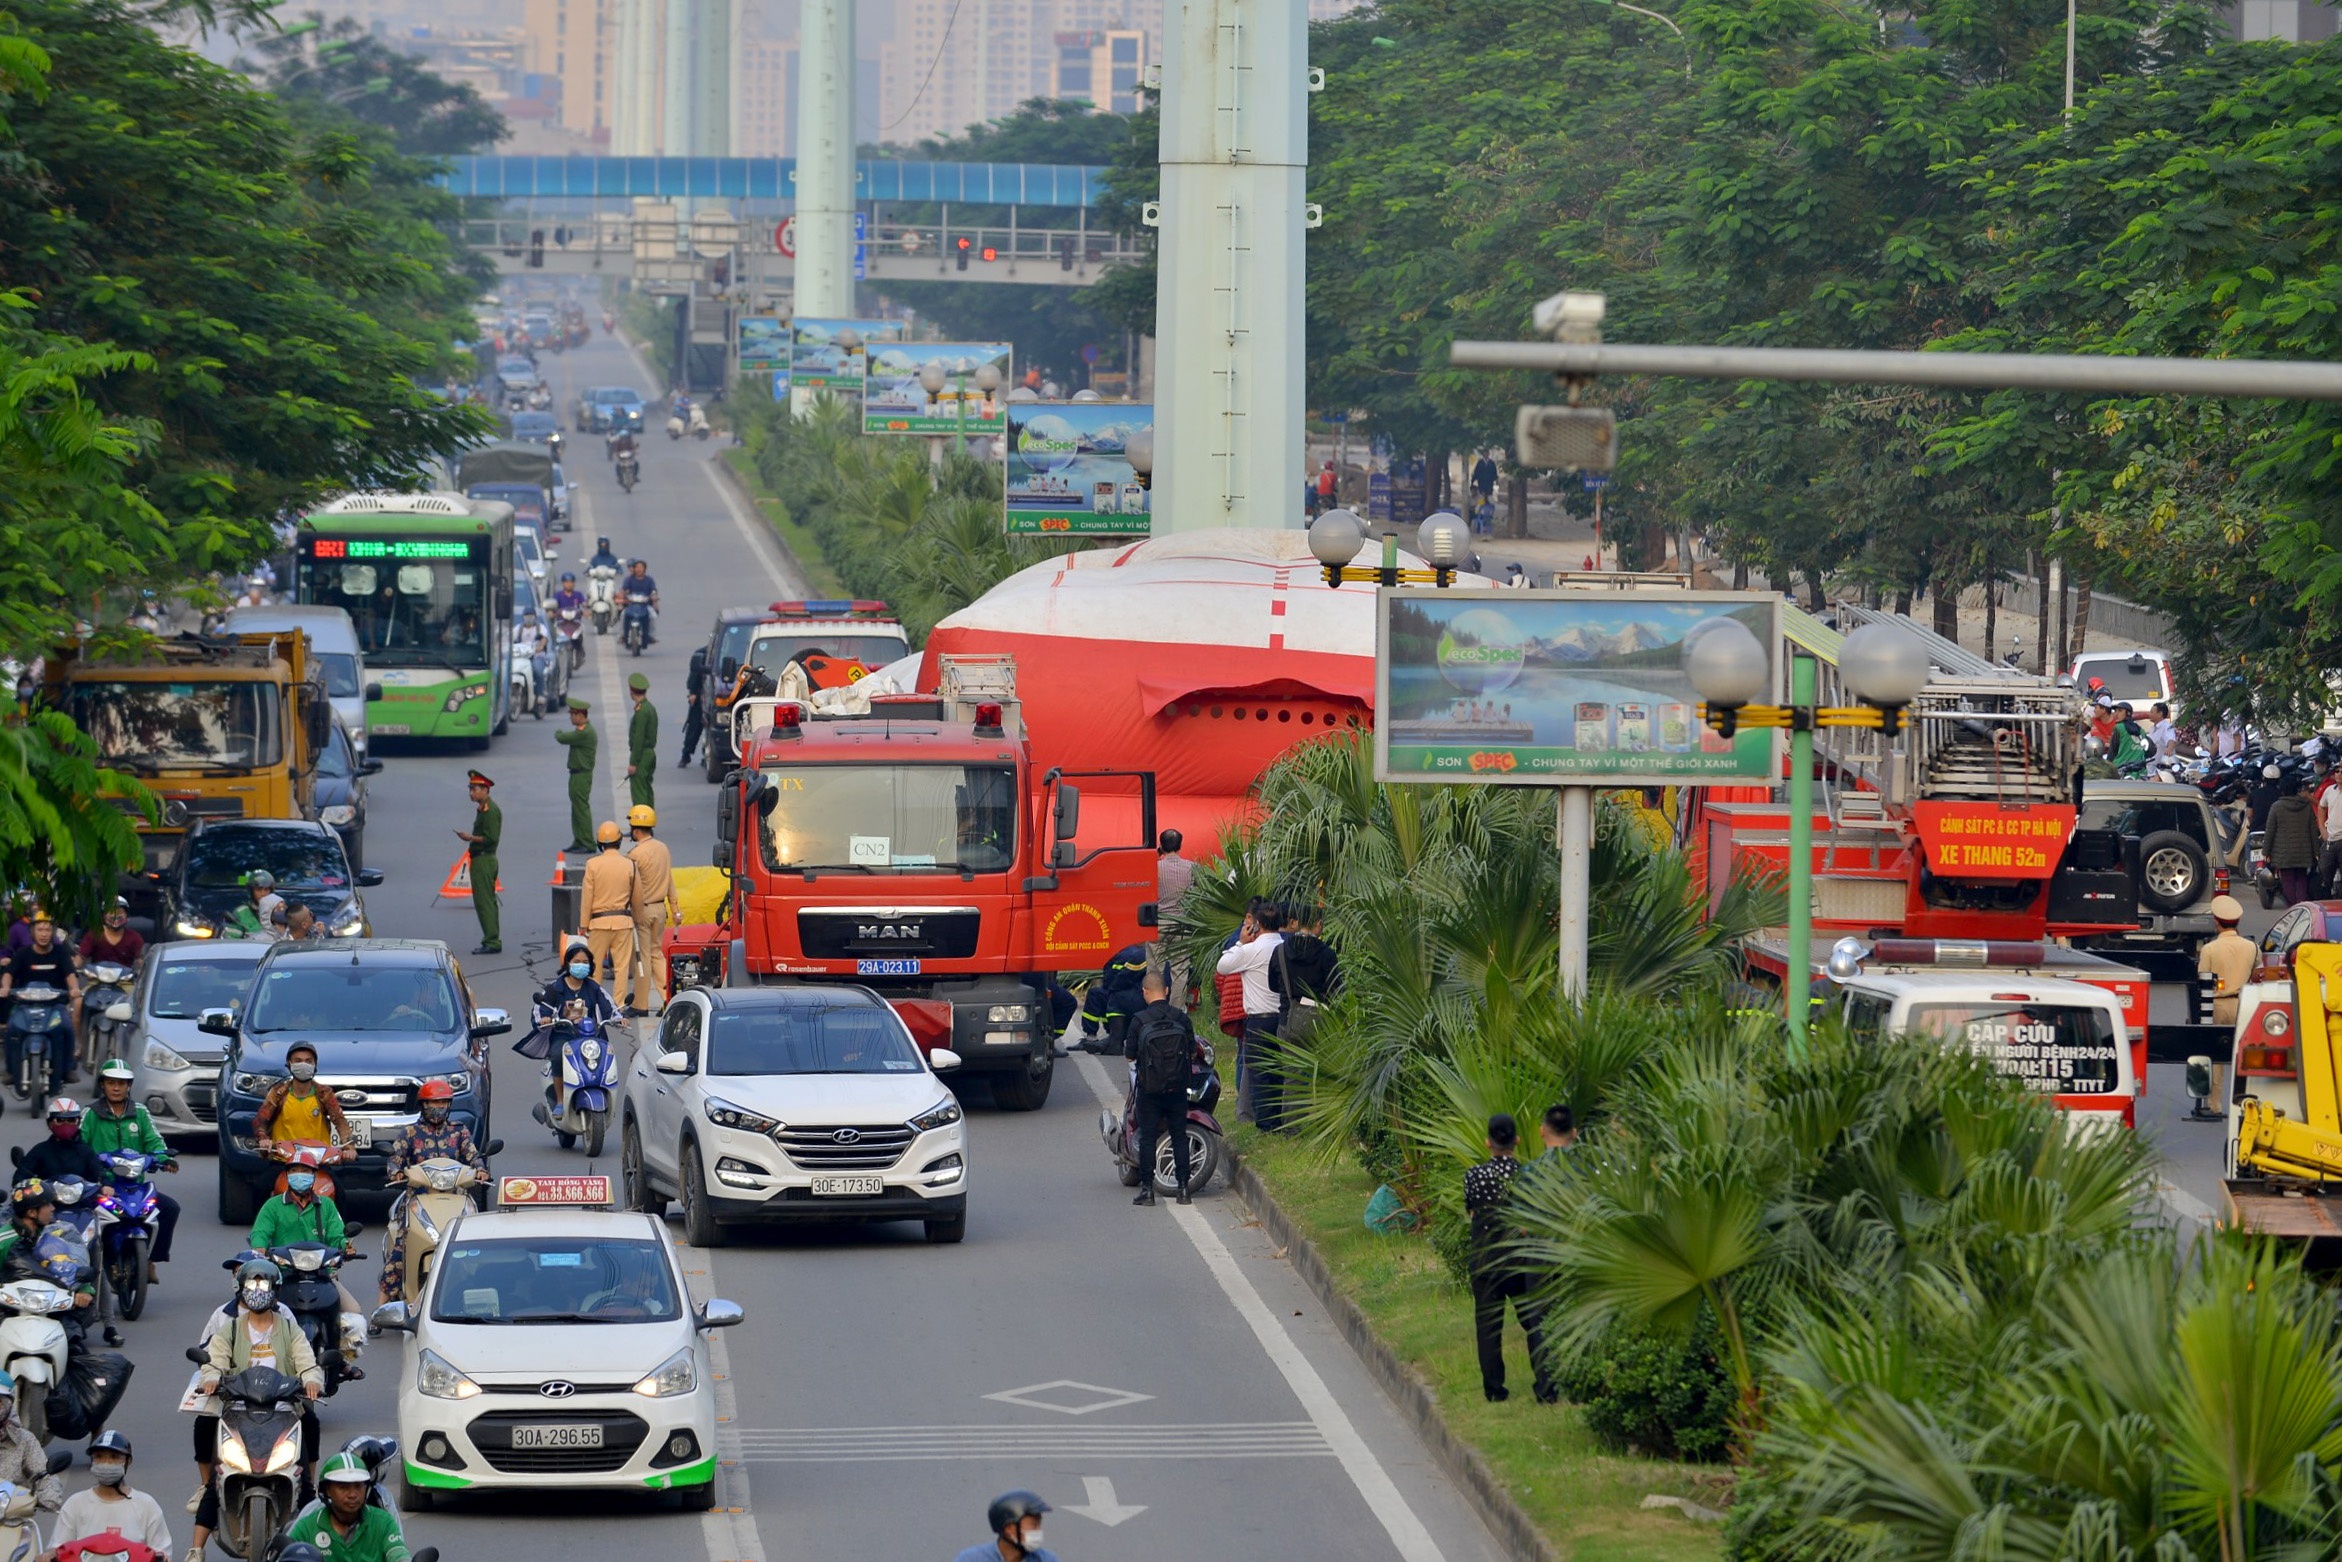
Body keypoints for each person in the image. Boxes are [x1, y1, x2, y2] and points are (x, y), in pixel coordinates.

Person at [194, 1258, 322, 1552]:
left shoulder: (289, 1329)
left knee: (310, 1424)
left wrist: (312, 1380)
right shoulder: (231, 1328)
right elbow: (215, 1360)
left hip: (283, 1407)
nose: (257, 1291)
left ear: (275, 1289)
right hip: (238, 1407)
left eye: (263, 1285)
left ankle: (308, 1485)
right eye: (252, 1284)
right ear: (241, 1289)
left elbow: (307, 1361)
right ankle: (196, 1549)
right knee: (218, 1471)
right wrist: (212, 1378)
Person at [1465, 1114, 1555, 1404]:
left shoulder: (1474, 1176)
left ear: (1488, 1142)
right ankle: (1545, 1383)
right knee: (1533, 1321)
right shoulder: (1525, 1174)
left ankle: (1494, 1390)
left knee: (1489, 1327)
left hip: (1485, 1260)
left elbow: (1473, 1213)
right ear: (1516, 1140)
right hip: (1519, 1259)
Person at [378, 1080, 483, 1304]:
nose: (439, 1106)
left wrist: (481, 1171)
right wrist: (396, 1172)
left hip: (455, 1198)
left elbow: (473, 1157)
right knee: (400, 1251)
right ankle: (379, 1309)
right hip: (418, 1199)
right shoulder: (409, 1133)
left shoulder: (459, 1132)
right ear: (423, 1105)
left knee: (476, 1246)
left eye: (444, 1101)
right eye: (434, 1102)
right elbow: (395, 1159)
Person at [83, 1061, 180, 1280]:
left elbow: (155, 1141)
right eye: (111, 1082)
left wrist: (164, 1159)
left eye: (121, 1083)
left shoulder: (141, 1112)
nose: (116, 1088)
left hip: (134, 1185)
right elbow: (80, 1146)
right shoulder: (90, 1114)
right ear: (102, 1085)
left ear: (129, 1086)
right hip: (102, 1186)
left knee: (170, 1208)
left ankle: (151, 1261)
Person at [1125, 968, 1201, 1206]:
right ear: (1167, 991)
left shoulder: (1139, 1020)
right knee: (1179, 1136)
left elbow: (1130, 1056)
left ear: (1145, 992)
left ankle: (1147, 1191)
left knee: (1148, 1137)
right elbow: (1191, 1051)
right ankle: (1184, 1190)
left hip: (1150, 1089)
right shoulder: (1181, 1018)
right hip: (1178, 1088)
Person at [1215, 905, 1287, 1127]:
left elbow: (1223, 966)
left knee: (1259, 1074)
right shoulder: (1286, 946)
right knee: (1279, 1072)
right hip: (1283, 1018)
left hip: (1259, 1019)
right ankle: (1280, 1119)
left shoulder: (1251, 950)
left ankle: (1266, 1125)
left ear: (1256, 925)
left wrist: (1241, 942)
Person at [52, 1431, 172, 1560]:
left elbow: (161, 1551)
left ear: (128, 1461)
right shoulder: (76, 1503)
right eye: (99, 1456)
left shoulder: (146, 1505)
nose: (106, 1463)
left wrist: (161, 1556)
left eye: (114, 1457)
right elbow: (59, 1549)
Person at [281, 1454, 410, 1562]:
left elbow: (399, 1555)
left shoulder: (383, 1522)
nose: (353, 1495)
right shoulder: (307, 1527)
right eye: (343, 1487)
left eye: (359, 1486)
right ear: (327, 1490)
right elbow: (286, 1556)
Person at [3, 910, 80, 1083]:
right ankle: (10, 1070)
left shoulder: (60, 952)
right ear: (32, 932)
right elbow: (9, 973)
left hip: (55, 1006)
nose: (44, 934)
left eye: (47, 930)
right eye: (40, 930)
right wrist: (6, 988)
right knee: (10, 1030)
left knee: (66, 1028)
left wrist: (74, 989)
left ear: (53, 932)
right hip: (25, 1005)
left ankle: (67, 1068)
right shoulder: (23, 953)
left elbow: (70, 974)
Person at [2199, 894, 2255, 1109]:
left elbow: (2203, 977)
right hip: (2244, 1003)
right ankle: (2245, 1103)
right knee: (2244, 1055)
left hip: (2218, 1005)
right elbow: (2255, 968)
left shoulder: (2210, 949)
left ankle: (2214, 1104)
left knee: (2217, 1056)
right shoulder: (2251, 947)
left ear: (2216, 921)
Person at [253, 1042, 353, 1161]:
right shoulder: (278, 1093)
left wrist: (349, 1147)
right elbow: (260, 1120)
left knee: (334, 1180)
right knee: (265, 1180)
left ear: (314, 1065)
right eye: (298, 1061)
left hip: (317, 1161)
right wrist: (263, 1139)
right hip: (283, 1160)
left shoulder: (324, 1094)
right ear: (289, 1064)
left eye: (308, 1061)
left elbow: (340, 1121)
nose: (303, 1065)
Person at [582, 821, 639, 1005]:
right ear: (620, 841)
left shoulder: (592, 864)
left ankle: (594, 1003)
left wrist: (583, 924)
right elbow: (637, 896)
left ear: (600, 843)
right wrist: (636, 919)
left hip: (598, 923)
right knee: (621, 967)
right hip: (623, 921)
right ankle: (618, 1005)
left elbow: (587, 897)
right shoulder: (629, 864)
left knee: (594, 966)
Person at [625, 806, 674, 1018]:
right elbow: (670, 879)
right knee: (657, 954)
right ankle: (668, 998)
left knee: (642, 958)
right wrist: (676, 907)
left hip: (643, 910)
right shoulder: (663, 848)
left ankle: (640, 1003)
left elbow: (629, 884)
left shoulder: (635, 854)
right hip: (660, 909)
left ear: (636, 830)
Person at [0, 1372, 62, 1525]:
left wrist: (50, 1496)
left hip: (11, 1521)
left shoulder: (24, 1440)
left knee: (31, 1548)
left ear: (8, 1404)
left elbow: (42, 1474)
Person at [455, 770, 502, 955]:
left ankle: (491, 941)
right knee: (486, 901)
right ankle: (491, 938)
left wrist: (470, 837)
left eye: (474, 789)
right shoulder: (483, 809)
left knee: (484, 903)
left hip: (484, 859)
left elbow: (491, 838)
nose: (471, 793)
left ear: (485, 789)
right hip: (482, 859)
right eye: (470, 789)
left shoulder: (490, 811)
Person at [953, 1491, 1058, 1562]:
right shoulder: (971, 1559)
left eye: (1039, 1524)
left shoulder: (1047, 1559)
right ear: (1009, 1529)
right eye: (1033, 1525)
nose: (1038, 1531)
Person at [2268, 776, 2321, 905]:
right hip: (2303, 851)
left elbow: (2270, 831)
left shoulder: (2276, 807)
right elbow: (2313, 830)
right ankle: (2302, 906)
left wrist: (2266, 852)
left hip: (2284, 853)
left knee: (2288, 881)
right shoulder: (2306, 806)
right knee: (2302, 879)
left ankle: (2292, 908)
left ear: (2283, 790)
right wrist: (2316, 852)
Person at [557, 697, 598, 853]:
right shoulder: (583, 730)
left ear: (580, 715)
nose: (571, 717)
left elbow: (562, 738)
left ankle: (588, 843)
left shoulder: (585, 732)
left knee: (581, 809)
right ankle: (579, 840)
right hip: (576, 774)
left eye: (573, 714)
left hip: (582, 775)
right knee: (576, 809)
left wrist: (558, 732)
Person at [626, 671, 658, 809]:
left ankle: (639, 826)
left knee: (639, 792)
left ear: (632, 691)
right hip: (649, 753)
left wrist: (633, 762)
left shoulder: (642, 711)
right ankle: (648, 824)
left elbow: (639, 738)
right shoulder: (649, 708)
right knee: (646, 789)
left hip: (642, 755)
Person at [223, 873, 283, 942]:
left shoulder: (281, 910)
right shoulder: (240, 913)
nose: (263, 894)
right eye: (258, 890)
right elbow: (231, 941)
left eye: (266, 890)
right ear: (251, 892)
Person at [679, 647, 709, 767]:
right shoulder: (704, 653)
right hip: (702, 694)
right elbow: (695, 674)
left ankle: (707, 754)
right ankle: (686, 755)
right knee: (694, 726)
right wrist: (693, 692)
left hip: (723, 694)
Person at [623, 560, 660, 644]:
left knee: (652, 616)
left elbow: (653, 590)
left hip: (645, 605)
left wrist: (654, 596)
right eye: (637, 567)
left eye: (641, 567)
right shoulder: (629, 579)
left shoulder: (649, 580)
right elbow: (624, 590)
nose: (639, 569)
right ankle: (622, 635)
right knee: (623, 615)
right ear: (634, 569)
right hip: (631, 605)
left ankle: (651, 635)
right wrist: (623, 594)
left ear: (645, 569)